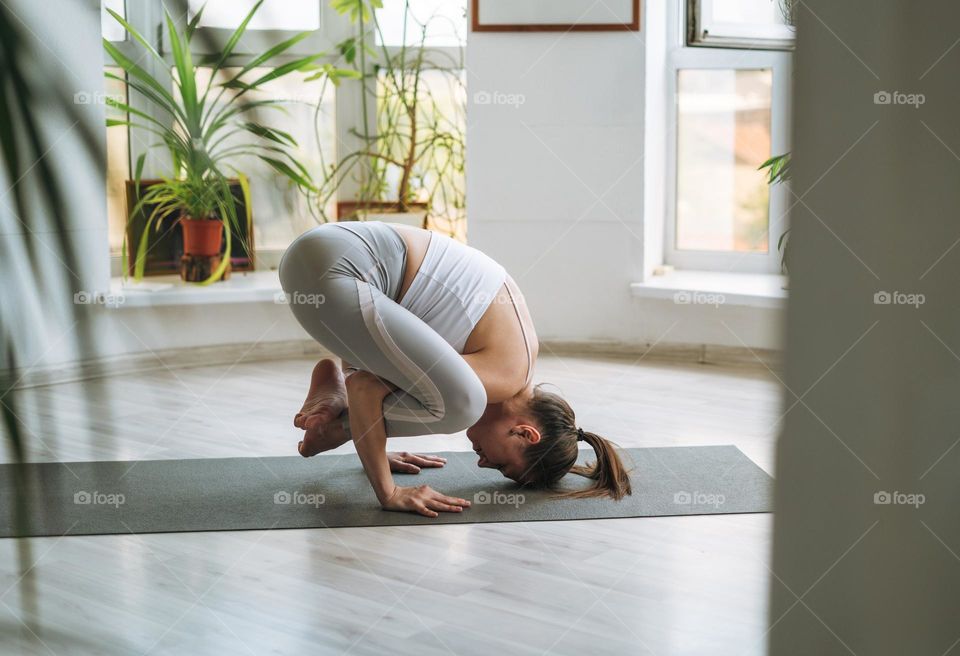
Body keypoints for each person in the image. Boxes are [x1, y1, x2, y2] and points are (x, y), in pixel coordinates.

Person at [278, 222, 632, 517]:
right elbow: (368, 388)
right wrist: (388, 491)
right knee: (460, 407)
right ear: (525, 434)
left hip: (326, 257)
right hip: (335, 275)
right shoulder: (502, 378)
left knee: (441, 392)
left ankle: (343, 402)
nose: (483, 465)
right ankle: (340, 416)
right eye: (502, 466)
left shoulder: (519, 360)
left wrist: (377, 447)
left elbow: (389, 347)